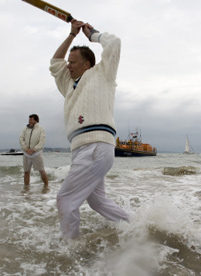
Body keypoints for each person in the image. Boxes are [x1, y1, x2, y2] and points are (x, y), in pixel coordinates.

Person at [49, 19, 129, 239]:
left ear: (87, 64)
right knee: (97, 201)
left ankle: (70, 250)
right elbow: (55, 62)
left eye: (73, 62)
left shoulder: (102, 74)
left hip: (96, 146)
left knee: (65, 200)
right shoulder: (68, 85)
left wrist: (90, 33)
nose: (68, 65)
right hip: (82, 150)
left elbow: (114, 43)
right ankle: (135, 228)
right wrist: (71, 35)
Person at [19, 114, 49, 187]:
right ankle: (26, 188)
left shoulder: (41, 129)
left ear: (36, 120)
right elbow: (21, 138)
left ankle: (46, 186)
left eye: (31, 119)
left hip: (36, 153)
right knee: (26, 172)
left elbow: (42, 141)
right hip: (26, 153)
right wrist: (26, 149)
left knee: (41, 170)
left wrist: (34, 149)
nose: (29, 121)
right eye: (29, 119)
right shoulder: (25, 129)